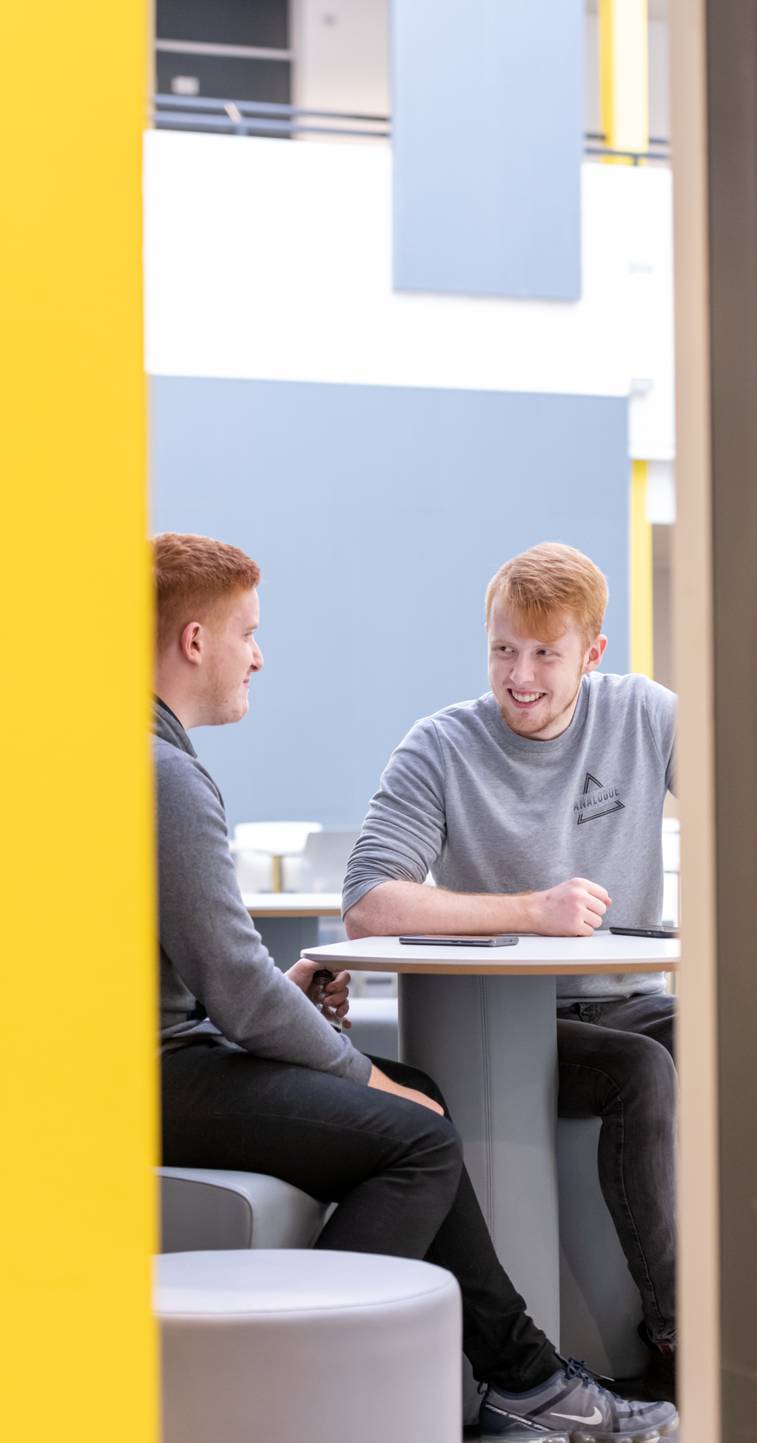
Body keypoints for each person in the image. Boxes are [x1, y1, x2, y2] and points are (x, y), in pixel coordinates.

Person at [153, 531, 678, 1443]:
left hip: (170, 1051)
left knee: (423, 1099)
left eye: (545, 654)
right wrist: (358, 1073)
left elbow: (211, 978)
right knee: (422, 1134)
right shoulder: (166, 775)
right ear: (195, 641)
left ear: (591, 654)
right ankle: (311, 1390)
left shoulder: (148, 762)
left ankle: (519, 1381)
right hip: (155, 1071)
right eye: (249, 632)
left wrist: (301, 1017)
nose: (259, 655)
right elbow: (250, 975)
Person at [343, 542, 679, 1396]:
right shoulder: (441, 745)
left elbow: (750, 798)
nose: (519, 676)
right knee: (642, 1070)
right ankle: (680, 1335)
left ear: (592, 653)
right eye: (502, 649)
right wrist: (532, 910)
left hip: (632, 999)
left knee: (738, 1045)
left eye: (544, 653)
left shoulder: (644, 715)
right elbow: (370, 901)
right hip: (511, 1024)